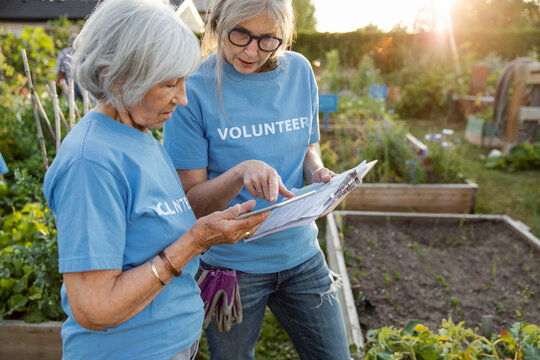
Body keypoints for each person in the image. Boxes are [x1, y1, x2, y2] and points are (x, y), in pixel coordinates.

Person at [43, 0, 268, 359]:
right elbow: (94, 309)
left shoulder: (139, 135)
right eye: (168, 84)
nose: (182, 98)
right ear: (120, 78)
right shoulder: (91, 162)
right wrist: (196, 240)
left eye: (183, 81)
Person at [163, 0, 351, 358]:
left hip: (301, 255)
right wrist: (238, 173)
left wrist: (318, 173)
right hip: (232, 267)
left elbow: (307, 149)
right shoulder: (193, 90)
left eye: (268, 40)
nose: (252, 51)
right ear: (217, 24)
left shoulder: (299, 72)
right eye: (241, 35)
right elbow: (191, 202)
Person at [55, 33, 82, 100]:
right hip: (77, 83)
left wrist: (64, 85)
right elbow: (60, 72)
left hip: (71, 83)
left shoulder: (63, 53)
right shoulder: (84, 52)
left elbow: (59, 72)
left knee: (70, 105)